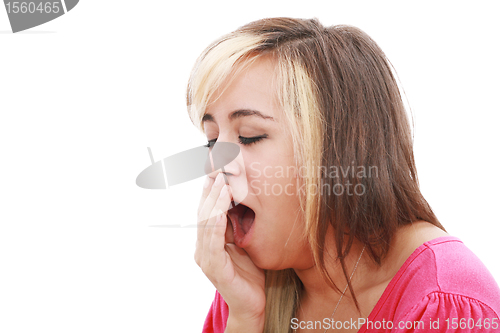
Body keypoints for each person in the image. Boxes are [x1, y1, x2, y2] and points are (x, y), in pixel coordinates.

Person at [188, 17, 500, 332]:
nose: (215, 165)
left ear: (340, 148)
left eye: (251, 135)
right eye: (212, 139)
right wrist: (245, 319)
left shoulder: (444, 302)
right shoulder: (242, 289)